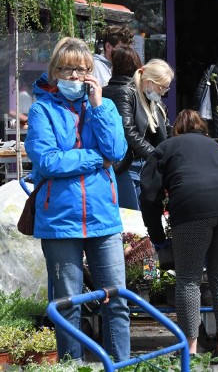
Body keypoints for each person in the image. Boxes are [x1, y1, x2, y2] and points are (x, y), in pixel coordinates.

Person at [24, 37, 130, 362]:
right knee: (68, 305)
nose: (74, 76)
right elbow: (48, 161)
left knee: (118, 301)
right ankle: (73, 368)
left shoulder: (105, 107)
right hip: (60, 222)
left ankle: (121, 367)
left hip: (104, 220)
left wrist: (97, 107)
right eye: (67, 69)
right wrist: (95, 159)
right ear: (55, 71)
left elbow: (117, 151)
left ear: (91, 73)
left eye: (81, 69)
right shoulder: (42, 109)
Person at [139, 109, 218, 363]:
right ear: (203, 129)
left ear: (176, 130)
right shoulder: (215, 147)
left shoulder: (166, 147)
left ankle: (189, 350)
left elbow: (148, 195)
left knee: (188, 279)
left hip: (193, 207)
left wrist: (157, 237)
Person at [125, 58, 174, 207]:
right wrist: (155, 154)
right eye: (162, 87)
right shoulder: (128, 95)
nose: (163, 93)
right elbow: (129, 132)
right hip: (130, 165)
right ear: (149, 81)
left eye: (166, 88)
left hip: (146, 165)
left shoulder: (157, 104)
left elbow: (167, 130)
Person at [101, 45, 144, 209]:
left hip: (118, 159)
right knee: (134, 215)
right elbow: (128, 130)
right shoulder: (128, 92)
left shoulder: (104, 91)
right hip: (127, 161)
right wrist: (153, 152)